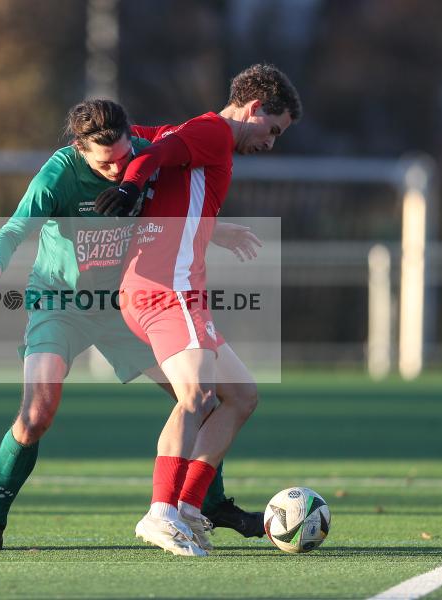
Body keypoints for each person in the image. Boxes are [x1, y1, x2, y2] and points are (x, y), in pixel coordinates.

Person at [0, 99, 267, 551]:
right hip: (61, 303)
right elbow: (14, 228)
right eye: (104, 164)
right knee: (37, 415)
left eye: (123, 158)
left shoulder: (141, 159)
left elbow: (167, 211)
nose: (117, 170)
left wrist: (216, 231)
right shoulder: (58, 175)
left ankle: (208, 503)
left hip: (125, 304)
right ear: (80, 148)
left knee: (199, 397)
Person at [95, 63, 302, 556]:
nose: (271, 143)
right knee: (195, 395)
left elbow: (141, 141)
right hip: (166, 289)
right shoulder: (213, 132)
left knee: (241, 396)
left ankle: (188, 507)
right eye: (273, 131)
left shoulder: (195, 132)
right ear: (254, 108)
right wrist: (127, 186)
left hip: (174, 290)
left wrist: (213, 229)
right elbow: (152, 156)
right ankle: (160, 513)